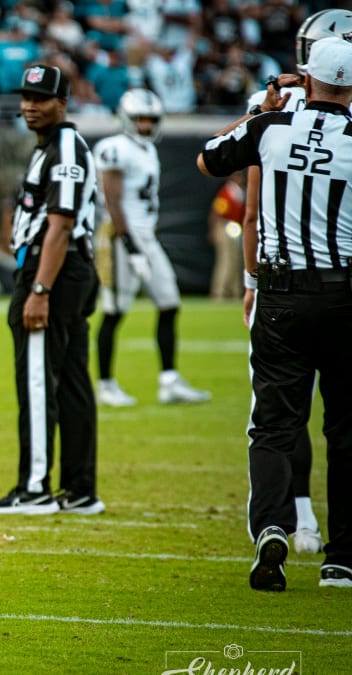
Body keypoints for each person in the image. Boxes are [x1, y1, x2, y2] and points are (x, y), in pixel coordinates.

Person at [196, 36, 352, 592]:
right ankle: (342, 559)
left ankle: (271, 528)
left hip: (280, 293)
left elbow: (209, 158)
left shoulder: (270, 128)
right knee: (345, 429)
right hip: (344, 294)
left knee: (274, 425)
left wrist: (262, 107)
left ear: (304, 77)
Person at [235, 9, 352, 558]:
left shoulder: (271, 114)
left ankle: (289, 520)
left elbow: (253, 205)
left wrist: (250, 276)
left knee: (278, 413)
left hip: (281, 281)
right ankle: (342, 552)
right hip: (342, 291)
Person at [0, 64, 103, 516]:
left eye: (41, 99)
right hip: (67, 270)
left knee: (37, 380)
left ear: (63, 102)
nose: (30, 106)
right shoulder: (50, 145)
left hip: (54, 271)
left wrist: (40, 288)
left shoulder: (65, 147)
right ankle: (81, 488)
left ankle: (34, 489)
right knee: (71, 381)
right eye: (26, 98)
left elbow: (62, 223)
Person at [91, 88, 211, 408]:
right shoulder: (114, 148)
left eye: (150, 119)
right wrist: (129, 245)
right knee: (114, 311)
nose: (145, 125)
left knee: (169, 303)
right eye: (139, 119)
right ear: (126, 119)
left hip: (147, 238)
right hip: (121, 238)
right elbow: (112, 201)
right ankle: (105, 383)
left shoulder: (147, 150)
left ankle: (169, 380)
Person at [208, 169, 246, 301]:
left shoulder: (239, 192)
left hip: (236, 228)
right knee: (225, 261)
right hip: (224, 226)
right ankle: (219, 292)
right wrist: (214, 231)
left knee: (236, 261)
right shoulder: (227, 191)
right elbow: (216, 212)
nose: (240, 179)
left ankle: (235, 292)